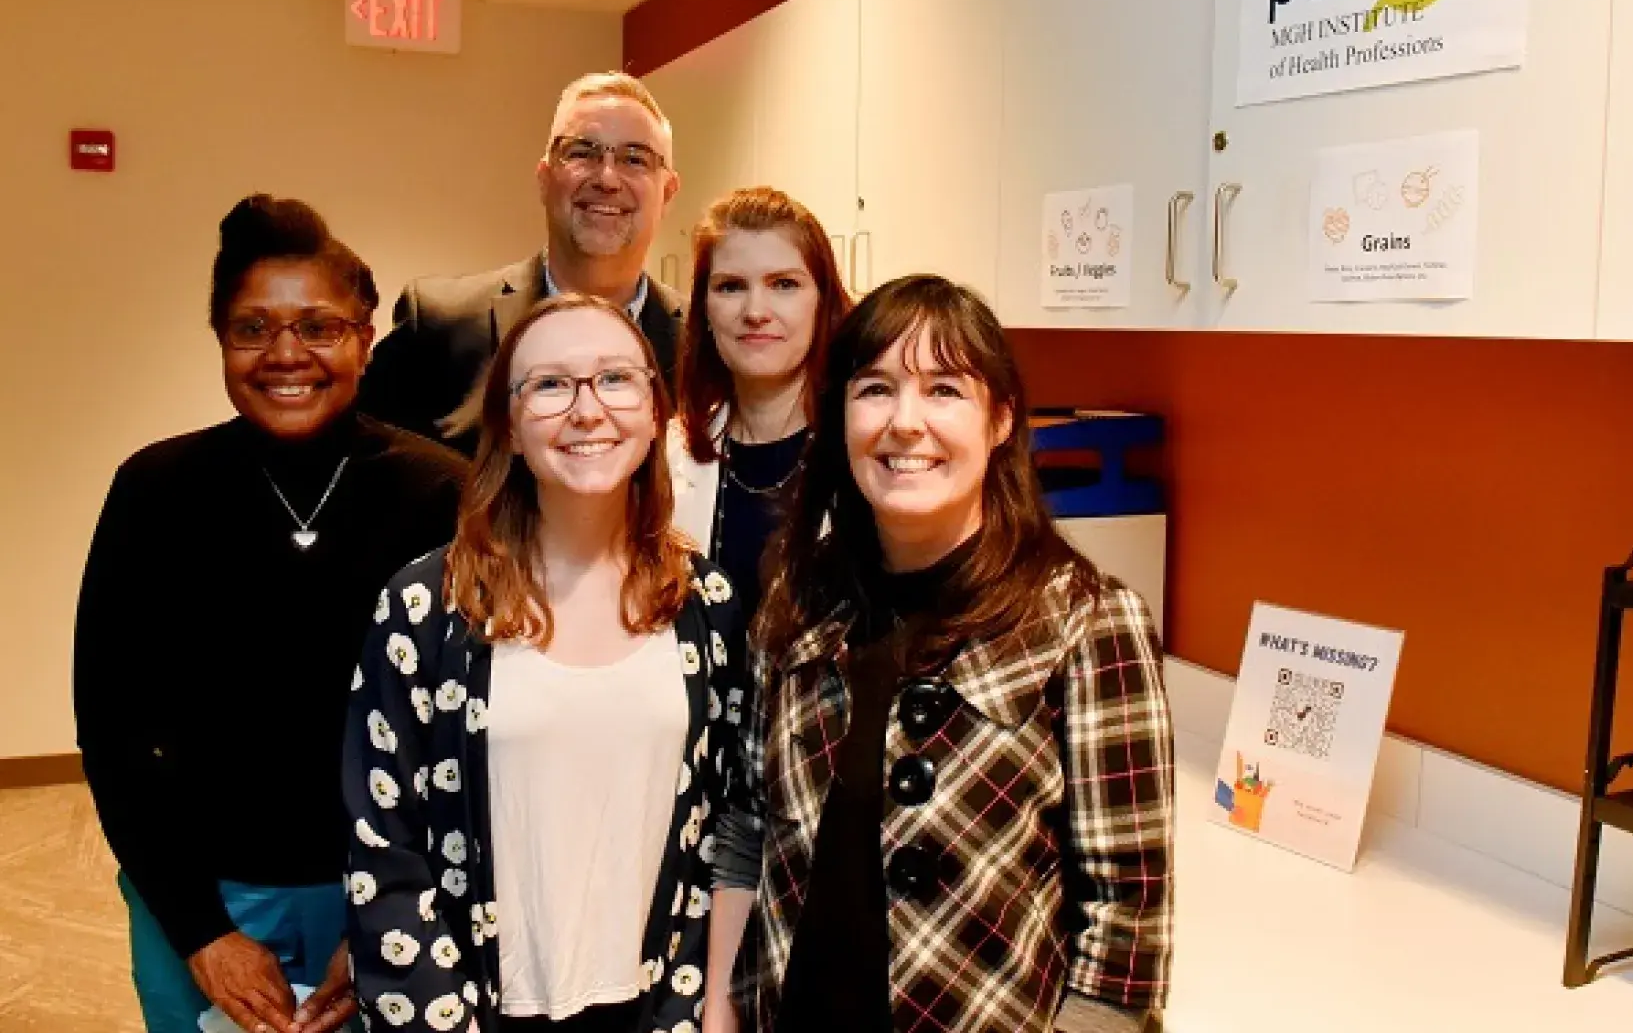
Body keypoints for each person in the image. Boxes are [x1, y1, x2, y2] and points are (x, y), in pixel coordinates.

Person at [707, 276, 1176, 1033]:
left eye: (945, 390)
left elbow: (1127, 931)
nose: (905, 423)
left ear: (1000, 420)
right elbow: (747, 832)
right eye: (875, 389)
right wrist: (721, 1016)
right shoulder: (799, 597)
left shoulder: (1086, 622)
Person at [74, 195, 467, 1033]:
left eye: (318, 327)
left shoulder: (443, 494)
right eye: (253, 329)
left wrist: (388, 922)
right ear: (221, 339)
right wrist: (202, 931)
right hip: (198, 894)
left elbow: (463, 734)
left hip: (386, 887)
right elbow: (110, 728)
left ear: (364, 337)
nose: (286, 354)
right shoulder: (153, 492)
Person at [343, 293, 750, 1033]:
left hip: (657, 1008)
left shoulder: (706, 604)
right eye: (551, 385)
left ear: (657, 412)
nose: (588, 410)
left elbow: (729, 825)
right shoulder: (426, 609)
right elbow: (386, 853)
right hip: (473, 1012)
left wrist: (706, 1008)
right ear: (511, 432)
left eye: (617, 380)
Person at [358, 71, 685, 456]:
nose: (608, 178)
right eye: (582, 152)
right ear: (545, 180)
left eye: (635, 159)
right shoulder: (437, 326)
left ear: (667, 192)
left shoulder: (704, 343)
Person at [667, 187, 850, 624]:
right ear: (704, 310)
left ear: (822, 301)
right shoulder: (666, 454)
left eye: (783, 285)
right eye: (731, 287)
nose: (755, 311)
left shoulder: (862, 446)